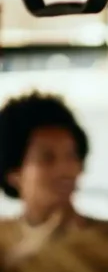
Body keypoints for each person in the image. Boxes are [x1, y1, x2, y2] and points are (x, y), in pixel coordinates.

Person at [0, 92, 92, 242]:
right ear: (14, 173)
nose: (65, 170)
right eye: (47, 158)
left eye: (72, 156)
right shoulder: (4, 247)